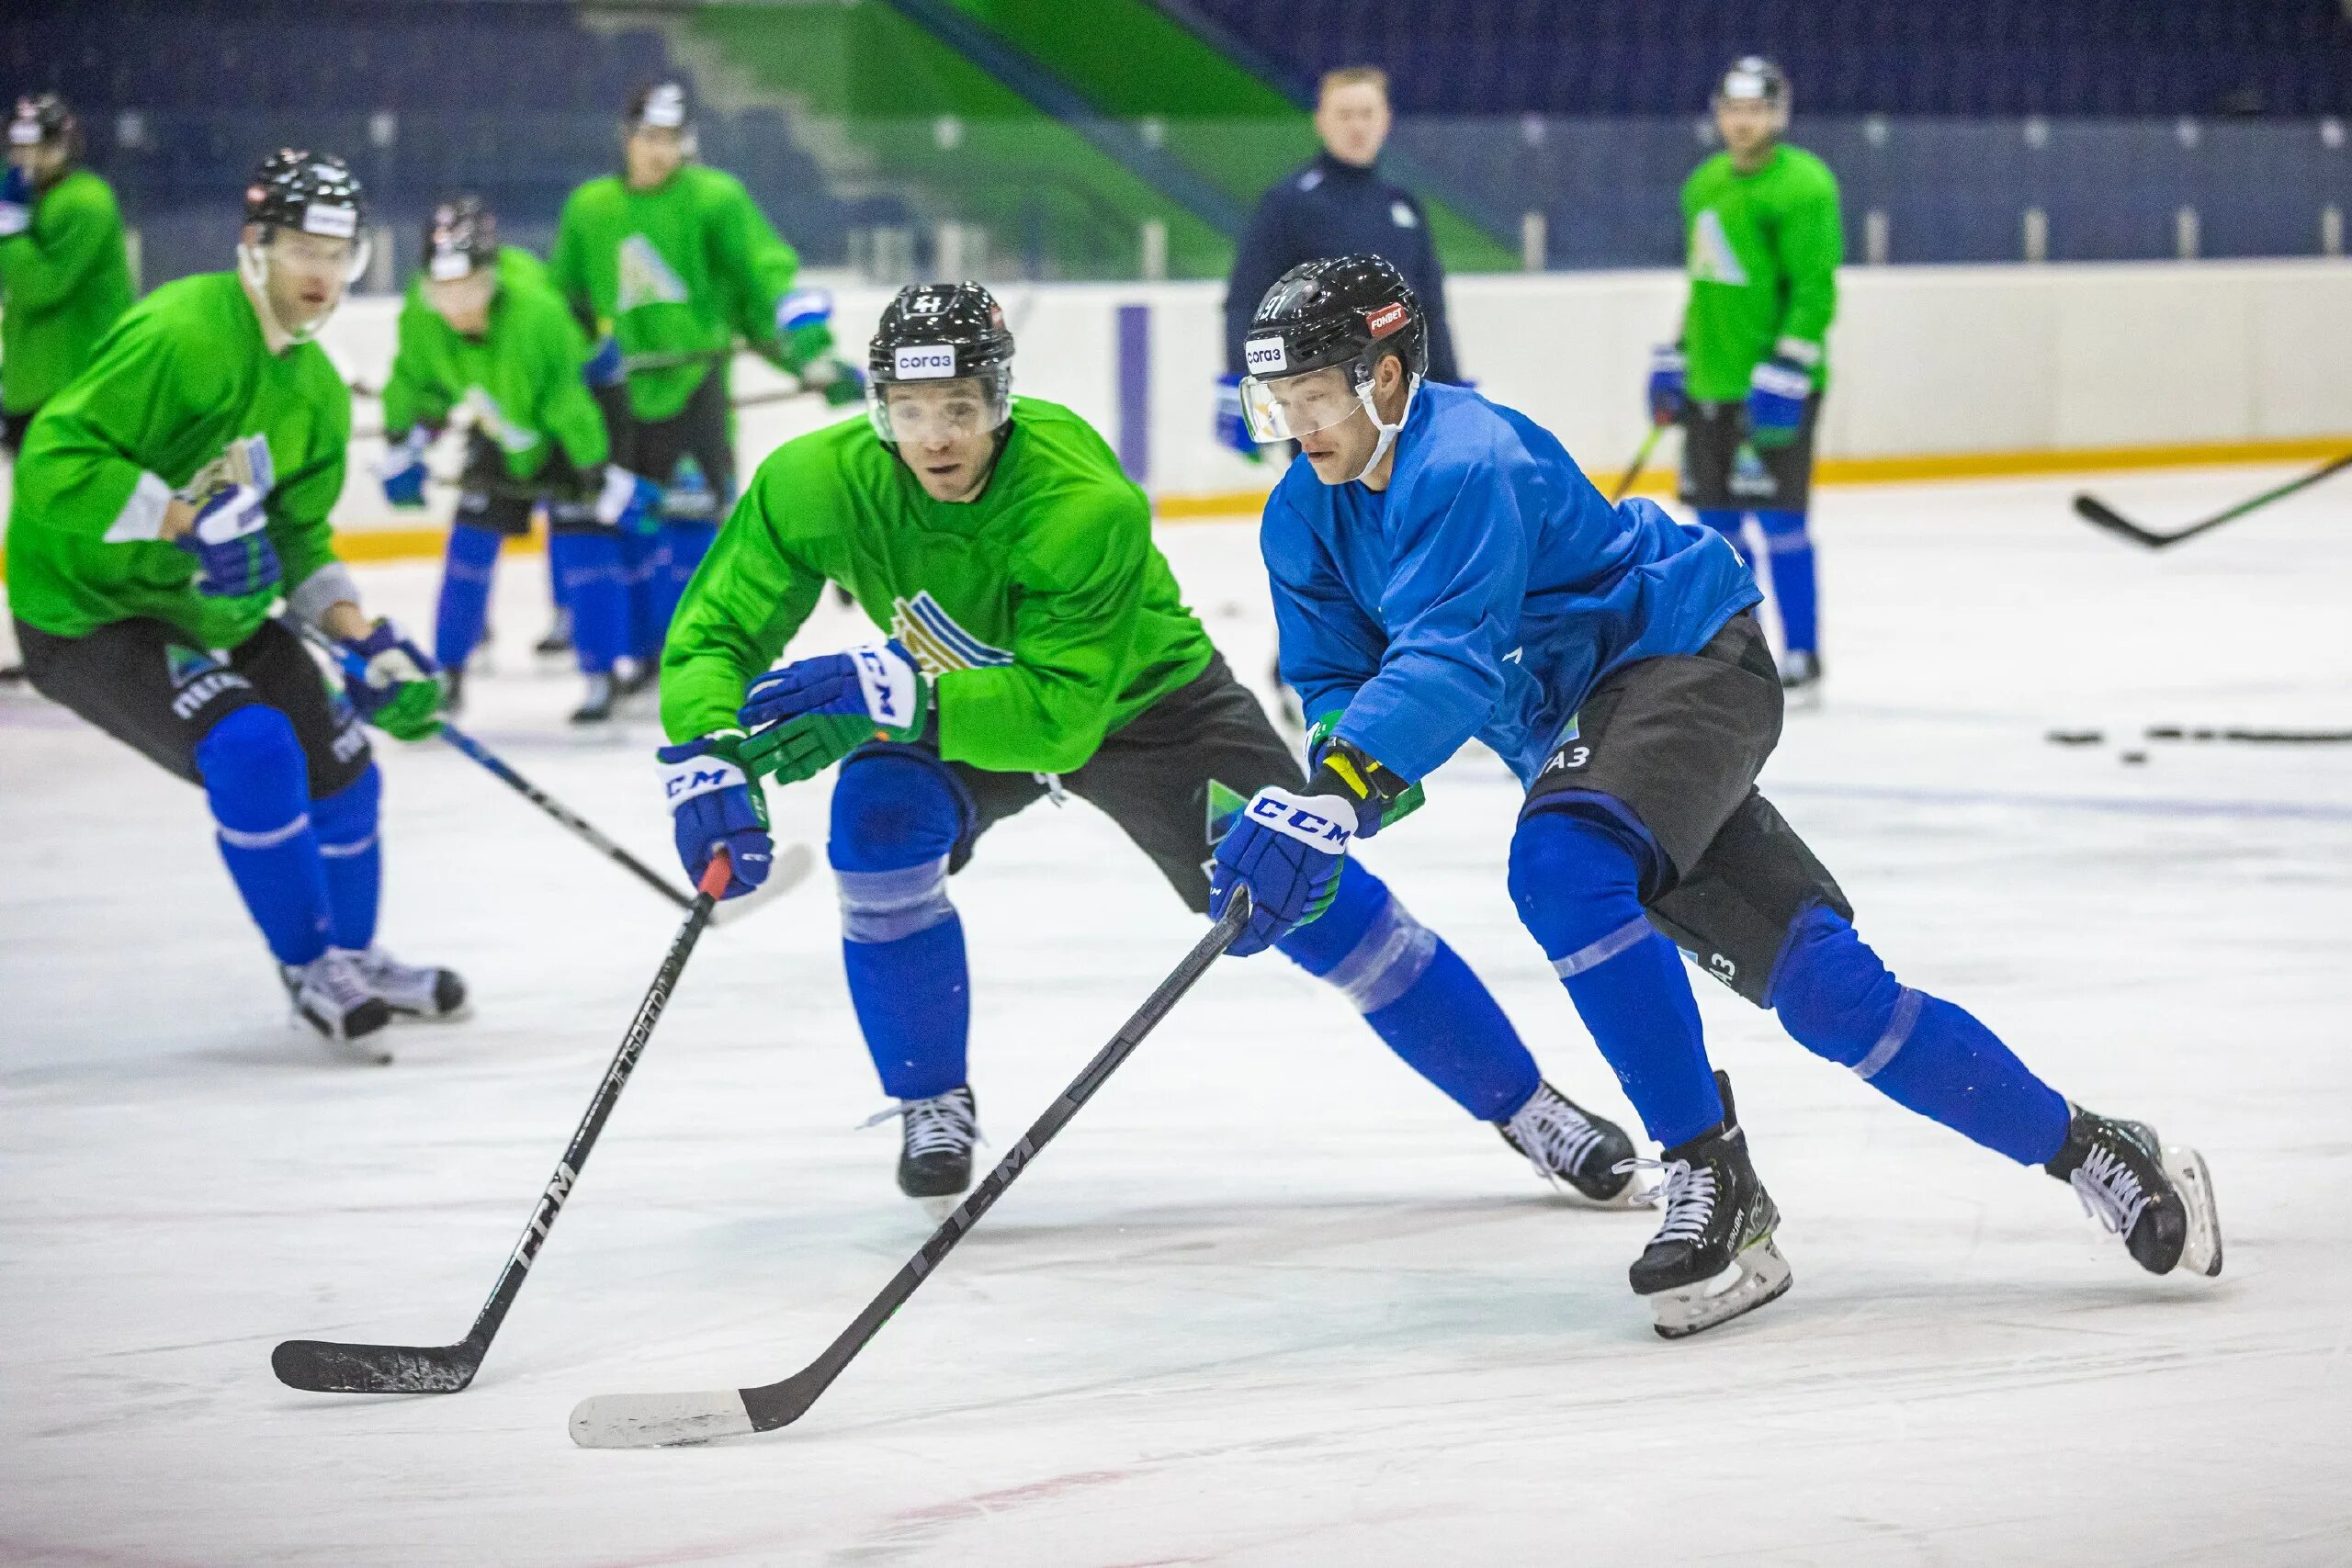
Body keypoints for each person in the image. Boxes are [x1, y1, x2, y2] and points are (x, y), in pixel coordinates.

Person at [1211, 254, 2222, 1339]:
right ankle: (2094, 1147)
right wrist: (1321, 790)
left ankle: (1710, 1175)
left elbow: (1448, 661)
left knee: (1563, 867)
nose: (1297, 422)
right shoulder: (1299, 521)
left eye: (1317, 393)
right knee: (1834, 996)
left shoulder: (1465, 458)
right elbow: (1336, 684)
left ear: (1390, 378)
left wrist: (1345, 791)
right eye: (1282, 399)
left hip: (1682, 658)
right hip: (1592, 737)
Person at [653, 280, 1639, 1216]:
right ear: (876, 411)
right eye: (908, 412)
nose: (937, 439)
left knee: (1301, 885)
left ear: (1000, 397)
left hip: (1147, 707)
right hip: (943, 706)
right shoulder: (813, 485)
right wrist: (706, 746)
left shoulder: (1080, 501)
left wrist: (894, 696)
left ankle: (1526, 1104)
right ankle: (929, 1102)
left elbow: (1060, 721)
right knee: (872, 827)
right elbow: (715, 633)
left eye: (958, 405)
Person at [5, 151, 463, 1055]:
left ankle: (356, 955)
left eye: (341, 254)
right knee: (251, 747)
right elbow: (55, 468)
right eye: (302, 248)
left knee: (341, 763)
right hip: (90, 606)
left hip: (213, 604)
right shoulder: (182, 331)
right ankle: (307, 966)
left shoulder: (319, 392)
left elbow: (297, 540)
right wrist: (183, 522)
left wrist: (365, 638)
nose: (322, 275)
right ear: (254, 245)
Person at [550, 80, 862, 671]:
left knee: (697, 530)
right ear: (627, 136)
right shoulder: (590, 209)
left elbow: (762, 283)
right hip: (617, 396)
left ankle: (702, 655)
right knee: (630, 528)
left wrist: (808, 352)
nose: (658, 150)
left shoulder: (715, 200)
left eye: (670, 138)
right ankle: (641, 659)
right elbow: (563, 304)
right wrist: (571, 368)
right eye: (648, 136)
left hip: (696, 390)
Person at [378, 196, 659, 722]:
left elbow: (567, 404)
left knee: (584, 546)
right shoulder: (421, 314)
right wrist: (403, 441)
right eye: (444, 291)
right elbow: (417, 382)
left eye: (471, 289)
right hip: (499, 416)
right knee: (468, 542)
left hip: (574, 415)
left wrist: (595, 473)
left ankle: (602, 674)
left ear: (492, 278)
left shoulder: (539, 316)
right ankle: (448, 671)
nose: (458, 306)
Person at [1647, 58, 1840, 697]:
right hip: (1710, 384)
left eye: (1755, 109)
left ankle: (1806, 654)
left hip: (1774, 392)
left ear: (1777, 114)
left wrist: (1788, 366)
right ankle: (1742, 656)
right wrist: (1678, 355)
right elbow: (1706, 283)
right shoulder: (1703, 183)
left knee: (1782, 523)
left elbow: (1814, 290)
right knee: (1716, 532)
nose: (1742, 121)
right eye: (1732, 108)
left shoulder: (1805, 186)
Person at [1217, 66, 1461, 463]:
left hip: (1404, 406)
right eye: (1344, 115)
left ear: (1386, 120)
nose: (1357, 126)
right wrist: (1242, 382)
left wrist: (1451, 389)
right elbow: (1246, 301)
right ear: (1321, 122)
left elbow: (1430, 309)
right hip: (1319, 405)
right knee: (1332, 518)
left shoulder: (1404, 207)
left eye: (1367, 114)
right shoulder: (1288, 204)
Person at [0, 93, 133, 457]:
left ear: (64, 147)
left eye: (41, 148)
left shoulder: (85, 201)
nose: (28, 161)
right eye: (20, 149)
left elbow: (40, 287)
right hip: (28, 382)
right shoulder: (21, 196)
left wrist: (9, 229)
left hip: (78, 389)